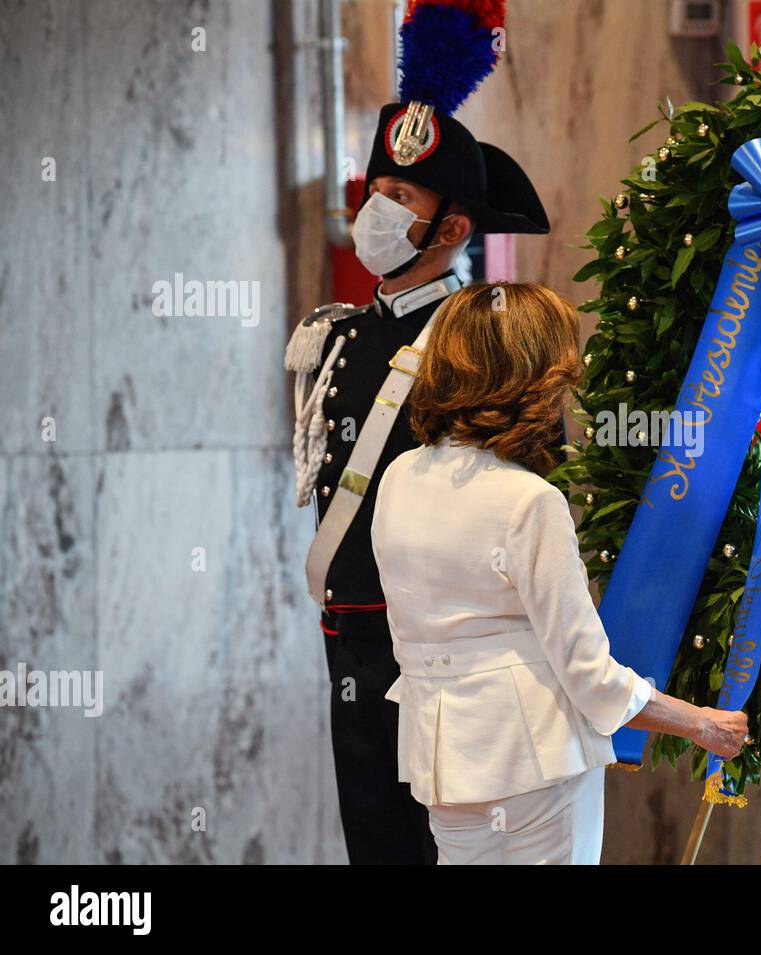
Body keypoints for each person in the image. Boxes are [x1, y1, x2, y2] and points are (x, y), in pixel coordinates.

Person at [283, 0, 554, 863]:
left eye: (401, 196)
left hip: (446, 653)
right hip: (352, 632)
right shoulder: (341, 334)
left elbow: (522, 497)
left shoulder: (483, 339)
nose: (376, 209)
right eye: (376, 190)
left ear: (454, 228)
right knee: (376, 841)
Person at [370, 282, 749, 865]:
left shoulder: (398, 476)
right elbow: (588, 675)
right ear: (534, 378)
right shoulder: (528, 501)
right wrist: (698, 722)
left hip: (443, 761)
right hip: (532, 765)